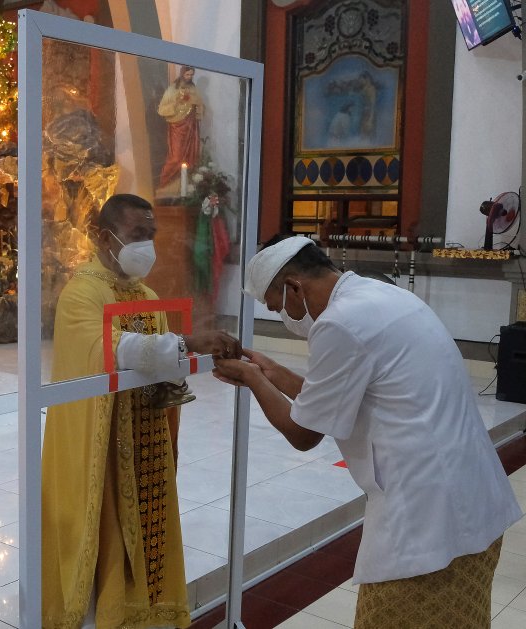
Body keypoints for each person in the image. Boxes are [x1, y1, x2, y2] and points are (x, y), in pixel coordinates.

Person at [212, 235, 522, 628]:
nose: (284, 317)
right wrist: (273, 373)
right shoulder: (380, 297)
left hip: (427, 524)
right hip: (472, 501)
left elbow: (304, 434)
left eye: (278, 306)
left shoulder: (339, 322)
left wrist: (253, 379)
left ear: (293, 286)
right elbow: (341, 396)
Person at [42, 194, 240, 628]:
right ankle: (103, 613)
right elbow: (116, 350)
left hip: (145, 434)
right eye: (136, 235)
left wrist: (173, 375)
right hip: (102, 437)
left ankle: (142, 610)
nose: (146, 245)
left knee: (146, 528)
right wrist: (189, 342)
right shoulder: (82, 292)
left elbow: (161, 361)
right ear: (102, 236)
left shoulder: (146, 293)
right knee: (104, 527)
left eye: (151, 235)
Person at [157, 65, 204, 189]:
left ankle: (185, 186)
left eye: (191, 75)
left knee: (191, 157)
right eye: (187, 74)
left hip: (191, 127)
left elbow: (200, 105)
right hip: (177, 127)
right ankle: (164, 184)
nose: (189, 77)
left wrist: (197, 107)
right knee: (176, 157)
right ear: (182, 74)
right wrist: (177, 102)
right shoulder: (172, 89)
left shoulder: (193, 89)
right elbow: (161, 110)